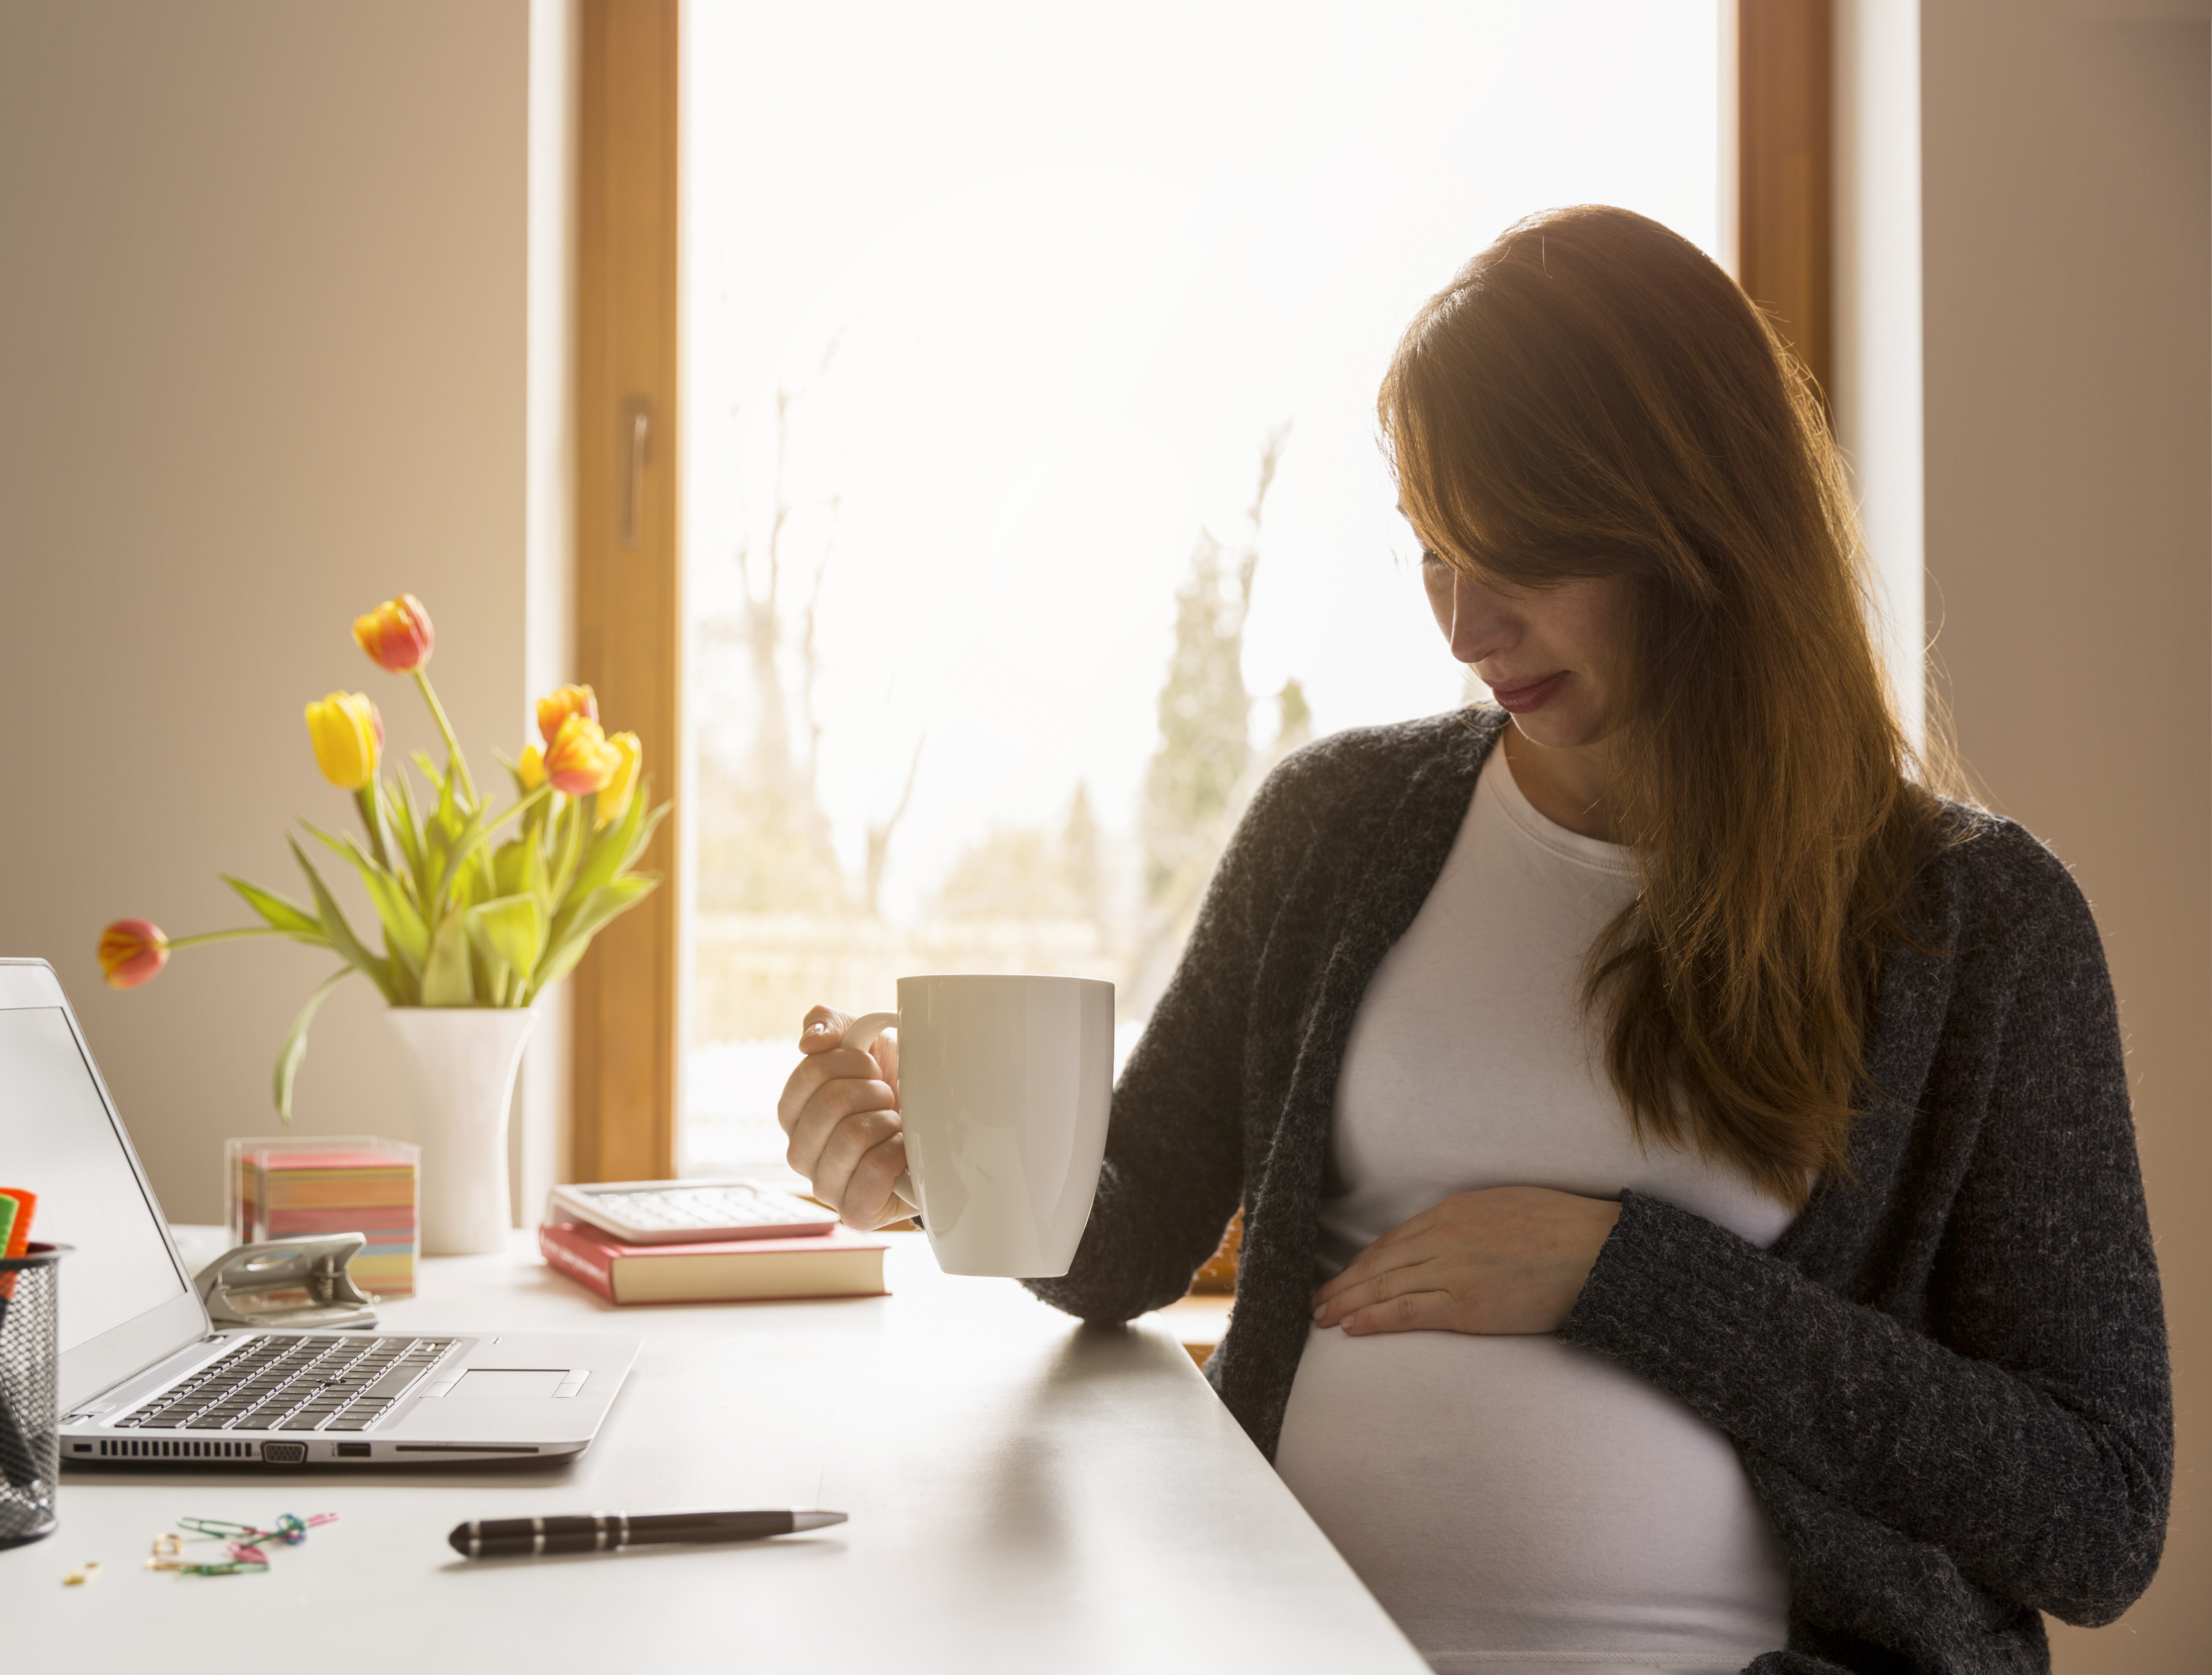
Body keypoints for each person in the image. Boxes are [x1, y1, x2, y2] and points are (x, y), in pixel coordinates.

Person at [774, 206, 2170, 1673]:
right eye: (1435, 554)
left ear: (1701, 525)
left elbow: (2098, 1515)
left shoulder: (1978, 926)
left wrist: (1626, 1279)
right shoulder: (1335, 827)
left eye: (1522, 556)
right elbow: (1127, 1236)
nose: (1465, 626)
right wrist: (941, 1159)